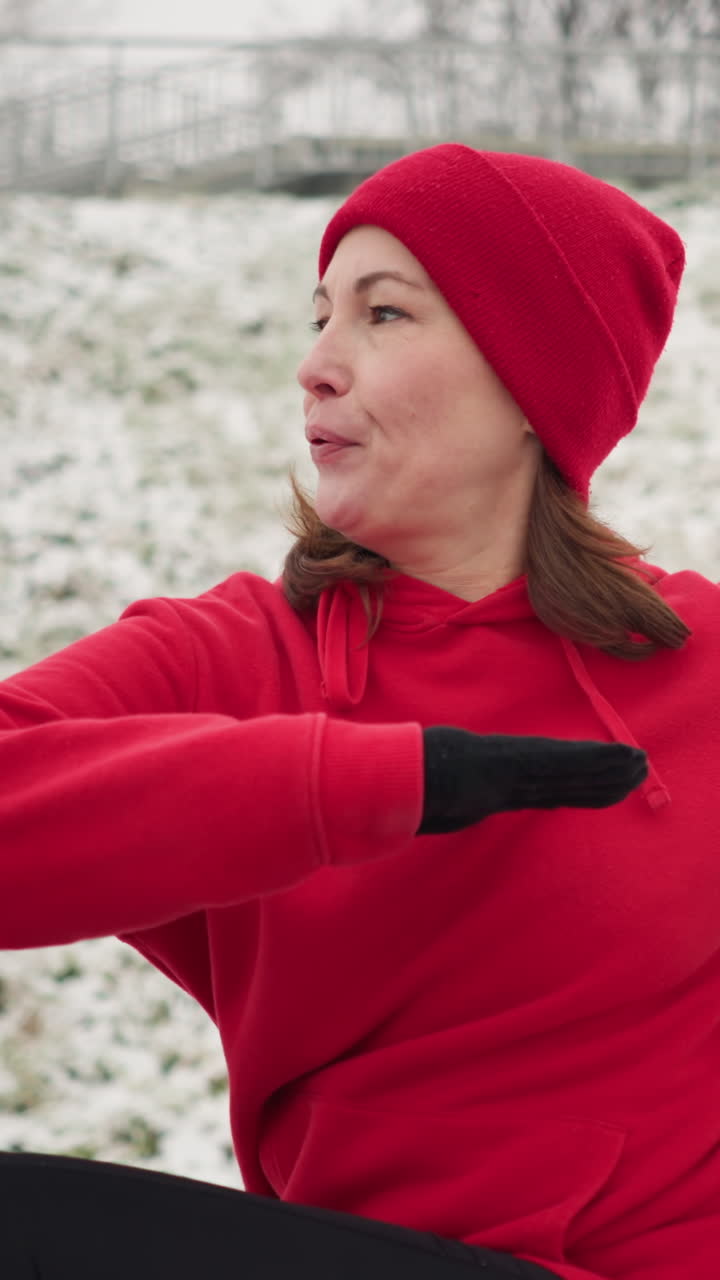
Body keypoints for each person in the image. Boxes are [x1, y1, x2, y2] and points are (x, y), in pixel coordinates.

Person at [0, 142, 714, 1280]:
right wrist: (344, 783)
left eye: (383, 315)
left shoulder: (702, 670)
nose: (315, 366)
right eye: (319, 315)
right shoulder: (227, 658)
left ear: (536, 381)